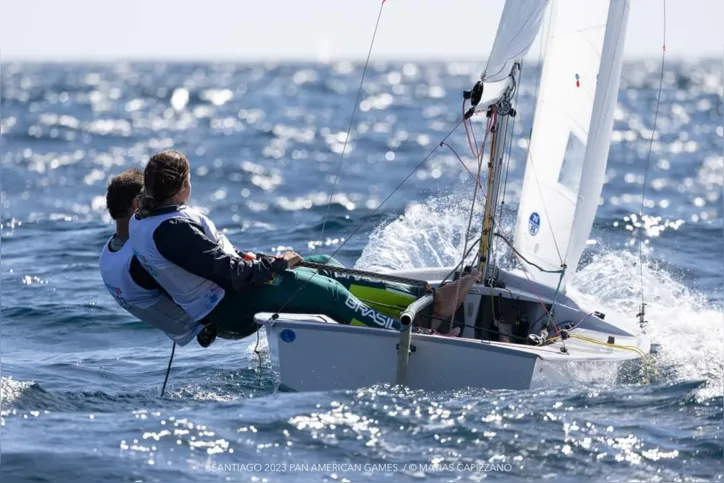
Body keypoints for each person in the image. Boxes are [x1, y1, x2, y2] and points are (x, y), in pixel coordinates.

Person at [128, 150, 479, 342]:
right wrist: (276, 264)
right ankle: (414, 336)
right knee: (330, 294)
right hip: (228, 308)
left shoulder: (144, 217)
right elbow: (232, 276)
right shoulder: (171, 228)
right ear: (183, 186)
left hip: (226, 296)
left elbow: (192, 265)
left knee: (324, 264)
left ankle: (433, 302)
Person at [99, 168, 209, 347]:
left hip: (185, 328)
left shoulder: (107, 254)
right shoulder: (139, 257)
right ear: (137, 204)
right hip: (206, 321)